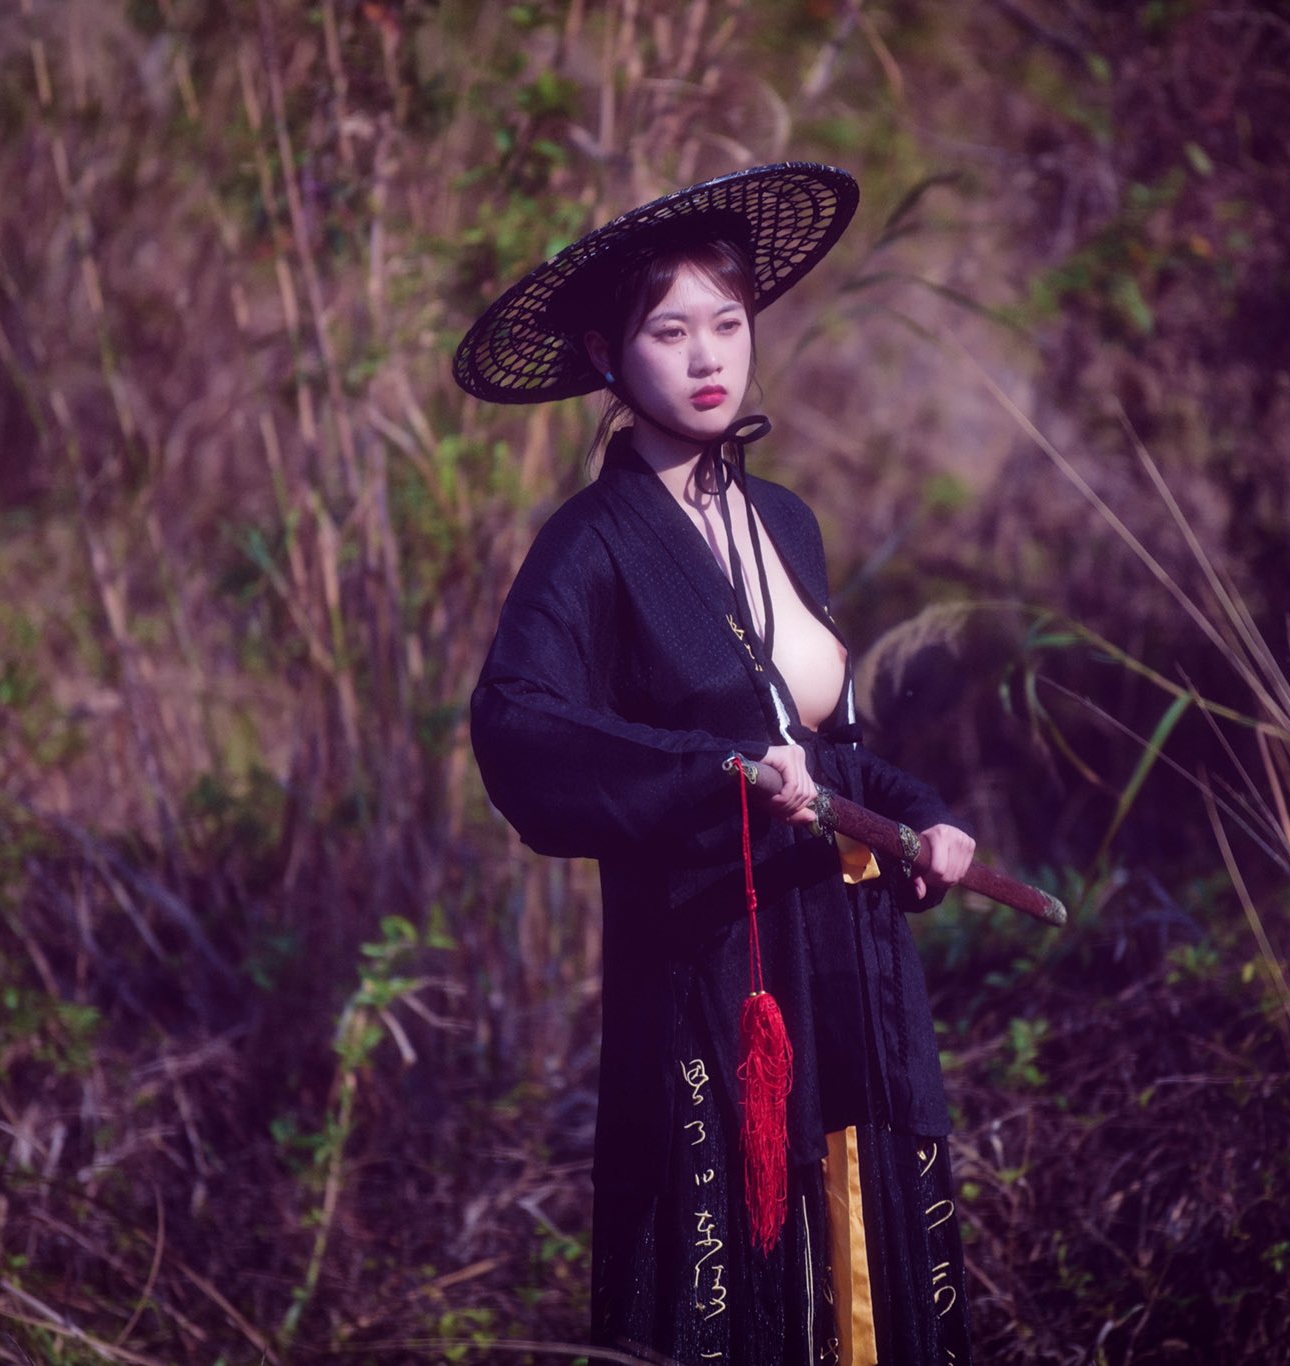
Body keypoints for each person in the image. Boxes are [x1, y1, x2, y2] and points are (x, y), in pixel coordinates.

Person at [454, 163, 976, 1364]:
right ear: (605, 353)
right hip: (714, 955)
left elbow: (821, 738)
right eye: (669, 331)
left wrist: (921, 818)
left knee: (863, 1244)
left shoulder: (783, 517)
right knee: (730, 1247)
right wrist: (712, 771)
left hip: (842, 945)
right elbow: (518, 725)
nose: (707, 358)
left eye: (727, 324)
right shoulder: (587, 545)